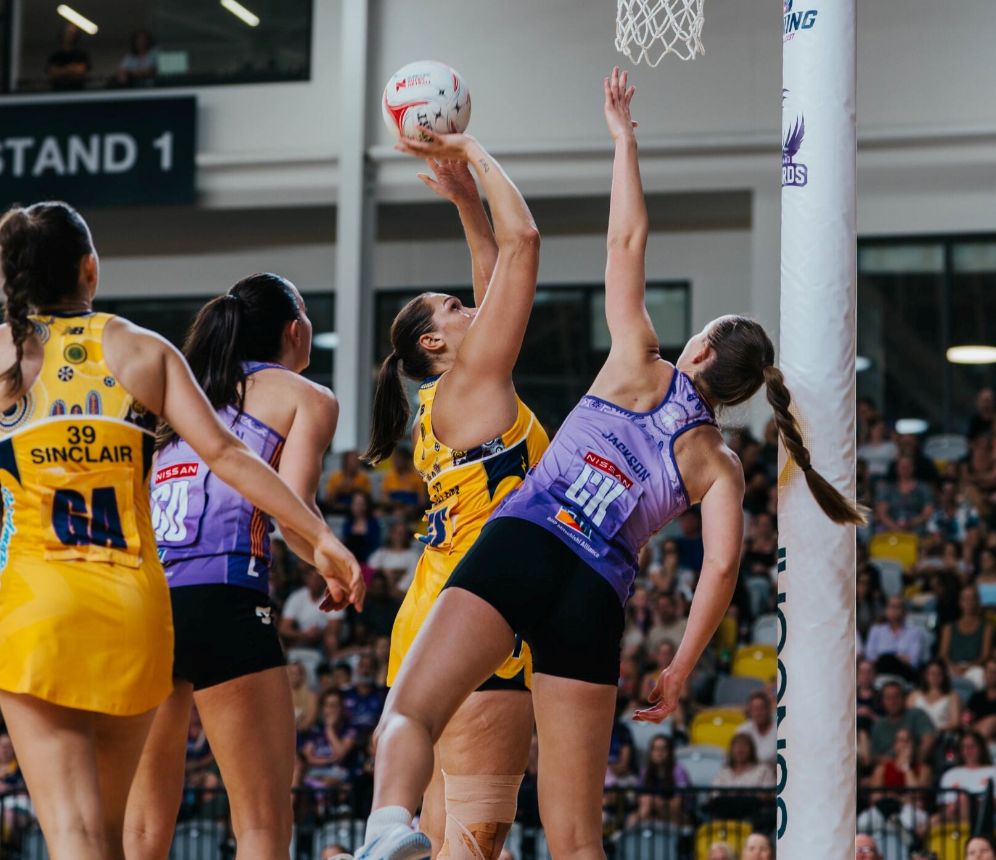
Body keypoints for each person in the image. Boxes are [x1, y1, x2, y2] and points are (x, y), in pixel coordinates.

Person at [358, 69, 863, 860]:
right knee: (577, 839)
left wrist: (623, 138)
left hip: (527, 542)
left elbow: (625, 240)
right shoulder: (721, 465)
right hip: (596, 593)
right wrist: (680, 667)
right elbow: (721, 569)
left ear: (699, 348)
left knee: (409, 713)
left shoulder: (637, 358)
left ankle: (389, 827)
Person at [0, 202, 361, 860]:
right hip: (151, 603)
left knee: (117, 834)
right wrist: (326, 545)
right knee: (257, 825)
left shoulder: (14, 357)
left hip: (59, 601)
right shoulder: (144, 354)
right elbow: (244, 468)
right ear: (90, 270)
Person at [360, 114, 550, 859]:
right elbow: (522, 243)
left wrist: (467, 199)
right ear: (435, 342)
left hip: (433, 616)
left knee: (439, 838)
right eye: (455, 309)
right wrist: (469, 147)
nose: (473, 307)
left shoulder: (448, 398)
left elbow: (493, 272)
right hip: (483, 622)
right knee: (472, 841)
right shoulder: (472, 386)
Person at [124, 274, 363, 860]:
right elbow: (293, 511)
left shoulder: (182, 402)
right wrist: (331, 560)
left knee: (143, 830)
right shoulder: (306, 396)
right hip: (225, 597)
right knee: (260, 824)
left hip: (147, 603)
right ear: (295, 329)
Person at [628, 734, 690, 825]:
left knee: (648, 801)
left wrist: (656, 802)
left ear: (670, 752)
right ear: (651, 752)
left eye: (663, 749)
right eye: (656, 749)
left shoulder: (678, 771)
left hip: (676, 816)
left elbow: (678, 804)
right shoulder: (645, 772)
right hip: (650, 814)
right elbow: (638, 798)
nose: (659, 753)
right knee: (634, 816)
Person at [869, 681, 935, 765]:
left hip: (916, 765)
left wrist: (914, 760)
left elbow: (929, 739)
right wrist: (895, 762)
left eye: (896, 696)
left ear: (904, 698)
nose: (892, 701)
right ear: (882, 701)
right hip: (887, 767)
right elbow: (873, 757)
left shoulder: (917, 715)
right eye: (888, 698)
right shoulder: (878, 725)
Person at [939, 585, 992, 688]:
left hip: (975, 668)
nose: (968, 603)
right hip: (952, 666)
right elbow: (943, 654)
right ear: (960, 602)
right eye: (965, 599)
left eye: (972, 599)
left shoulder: (986, 628)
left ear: (977, 602)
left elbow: (985, 655)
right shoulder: (948, 628)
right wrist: (953, 667)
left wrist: (968, 667)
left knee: (980, 677)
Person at [46, 22, 90, 90]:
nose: (70, 35)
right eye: (69, 32)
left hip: (78, 91)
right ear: (63, 33)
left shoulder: (81, 54)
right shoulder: (55, 55)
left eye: (73, 33)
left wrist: (62, 70)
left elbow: (81, 71)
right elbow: (53, 73)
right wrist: (71, 68)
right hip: (58, 91)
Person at [736, 691, 776, 766]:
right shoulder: (742, 731)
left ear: (768, 710)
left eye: (761, 708)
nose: (758, 713)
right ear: (750, 712)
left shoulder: (781, 731)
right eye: (755, 709)